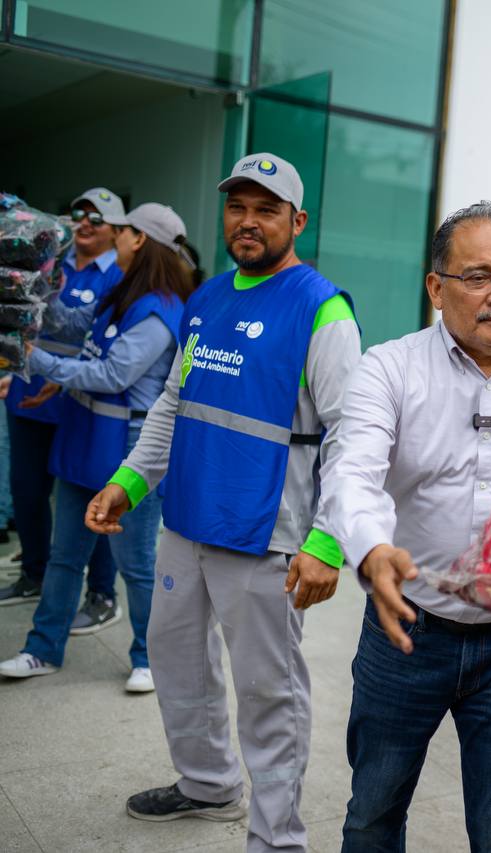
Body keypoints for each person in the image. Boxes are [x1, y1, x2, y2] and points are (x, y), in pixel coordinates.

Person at [83, 153, 361, 853]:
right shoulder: (206, 298)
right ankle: (207, 782)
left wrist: (328, 542)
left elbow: (354, 436)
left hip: (268, 532)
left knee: (270, 693)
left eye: (266, 209)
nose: (248, 220)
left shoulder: (321, 307)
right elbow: (175, 405)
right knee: (177, 663)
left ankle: (276, 837)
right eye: (238, 206)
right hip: (187, 521)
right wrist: (128, 480)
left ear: (296, 221)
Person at [311, 201, 491, 852]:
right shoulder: (390, 368)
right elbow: (350, 473)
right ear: (436, 287)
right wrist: (371, 550)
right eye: (478, 276)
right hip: (405, 631)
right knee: (373, 810)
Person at [0, 203, 198, 692]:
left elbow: (113, 375)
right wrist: (32, 292)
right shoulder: (119, 288)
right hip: (84, 436)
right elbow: (74, 327)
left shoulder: (163, 309)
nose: (115, 235)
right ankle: (41, 649)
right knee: (66, 556)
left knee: (136, 565)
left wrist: (38, 361)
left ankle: (148, 658)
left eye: (125, 230)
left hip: (129, 452)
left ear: (141, 241)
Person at [0, 188, 120, 611]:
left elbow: (96, 345)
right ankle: (34, 573)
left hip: (78, 405)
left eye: (97, 218)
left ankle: (101, 592)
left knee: (94, 499)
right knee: (28, 492)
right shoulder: (45, 259)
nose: (85, 222)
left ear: (117, 231)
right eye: (78, 213)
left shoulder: (119, 277)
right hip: (27, 397)